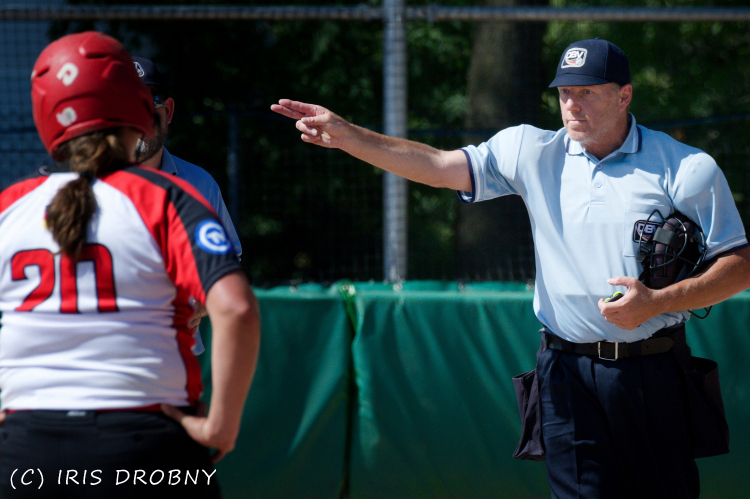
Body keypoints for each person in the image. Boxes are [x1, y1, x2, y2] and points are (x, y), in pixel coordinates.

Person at [272, 38, 750, 498]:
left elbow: (740, 265)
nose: (572, 104)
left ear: (624, 95)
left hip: (652, 369)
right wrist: (349, 137)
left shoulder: (685, 167)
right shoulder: (532, 151)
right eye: (565, 92)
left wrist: (659, 302)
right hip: (565, 370)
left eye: (587, 92)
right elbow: (438, 165)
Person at [0, 31, 260, 498]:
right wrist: (221, 427)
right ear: (138, 109)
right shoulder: (168, 198)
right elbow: (237, 309)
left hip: (26, 450)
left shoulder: (11, 205)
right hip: (147, 439)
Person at [130, 56, 242, 354]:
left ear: (167, 111)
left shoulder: (200, 183)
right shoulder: (83, 187)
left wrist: (201, 302)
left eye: (148, 103)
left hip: (179, 362)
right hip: (104, 364)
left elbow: (229, 267)